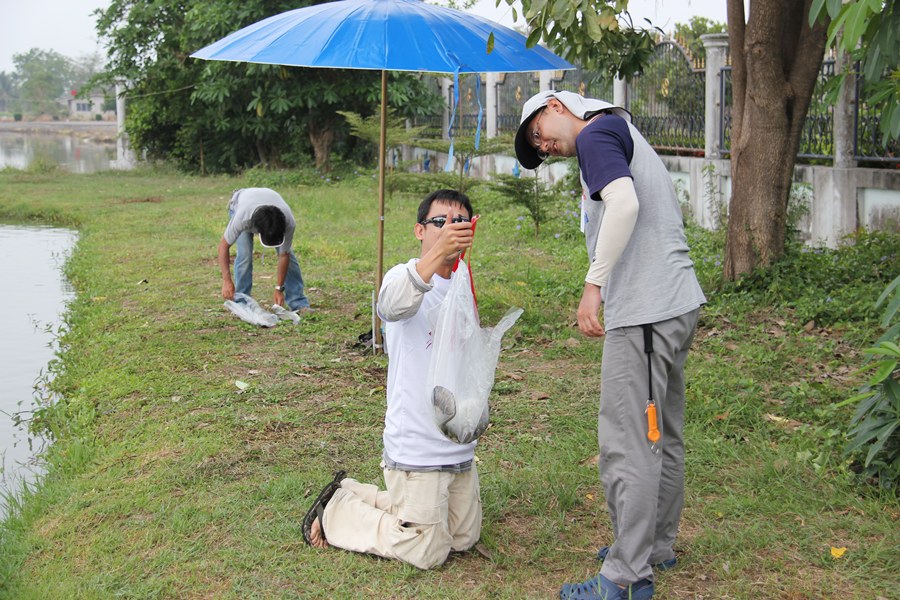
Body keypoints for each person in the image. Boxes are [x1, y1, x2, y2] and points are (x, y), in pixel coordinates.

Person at [515, 91, 706, 600]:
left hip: (645, 312)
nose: (545, 148)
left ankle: (625, 578)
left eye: (539, 134)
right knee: (659, 433)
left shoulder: (596, 133)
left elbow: (623, 204)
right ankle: (654, 546)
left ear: (556, 105)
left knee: (628, 444)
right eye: (537, 150)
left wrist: (593, 285)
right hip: (674, 302)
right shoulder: (617, 130)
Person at [302, 189, 481, 570]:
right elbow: (390, 306)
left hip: (459, 445)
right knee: (427, 549)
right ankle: (337, 511)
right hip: (418, 449)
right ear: (419, 231)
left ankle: (351, 490)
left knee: (464, 538)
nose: (451, 228)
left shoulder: (464, 282)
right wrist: (437, 255)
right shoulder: (404, 275)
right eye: (440, 222)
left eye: (460, 222)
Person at [217, 187, 310, 312]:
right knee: (244, 255)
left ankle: (298, 302)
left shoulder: (288, 222)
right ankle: (241, 302)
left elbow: (284, 255)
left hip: (268, 204)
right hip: (240, 203)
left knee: (289, 257)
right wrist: (226, 281)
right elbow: (223, 247)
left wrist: (279, 288)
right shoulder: (242, 218)